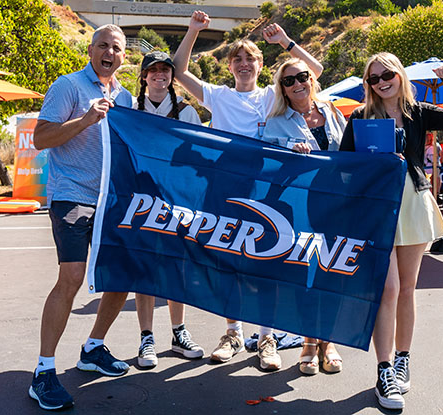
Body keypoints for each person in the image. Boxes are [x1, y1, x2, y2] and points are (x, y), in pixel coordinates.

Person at [173, 10, 322, 371]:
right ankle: (233, 332)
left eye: (249, 58)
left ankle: (267, 338)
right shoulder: (218, 96)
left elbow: (313, 71)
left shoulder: (272, 97)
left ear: (259, 64)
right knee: (230, 264)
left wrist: (285, 42)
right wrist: (193, 30)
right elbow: (178, 71)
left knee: (266, 264)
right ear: (229, 66)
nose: (243, 63)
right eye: (236, 58)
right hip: (224, 189)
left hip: (266, 192)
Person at [339, 52, 443, 409]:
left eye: (387, 74)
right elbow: (343, 167)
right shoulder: (359, 117)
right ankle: (384, 368)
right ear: (368, 85)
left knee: (406, 289)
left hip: (413, 202)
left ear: (399, 75)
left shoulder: (418, 112)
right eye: (373, 78)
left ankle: (403, 359)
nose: (381, 81)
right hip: (375, 208)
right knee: (385, 290)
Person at [29, 24, 134, 411]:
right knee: (71, 277)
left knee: (119, 276)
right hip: (72, 194)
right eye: (103, 45)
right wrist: (86, 120)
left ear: (123, 57)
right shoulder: (68, 86)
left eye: (116, 48)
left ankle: (93, 348)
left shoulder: (125, 97)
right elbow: (41, 138)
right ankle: (43, 372)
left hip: (110, 201)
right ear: (91, 51)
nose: (109, 52)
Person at [121, 50, 205, 368]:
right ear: (144, 76)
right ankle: (146, 337)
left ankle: (178, 332)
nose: (160, 74)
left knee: (176, 267)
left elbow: (199, 153)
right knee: (145, 269)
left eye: (165, 70)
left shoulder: (185, 111)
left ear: (171, 76)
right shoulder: (130, 110)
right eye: (153, 70)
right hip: (141, 201)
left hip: (178, 200)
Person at [262, 58, 345, 375]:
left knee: (332, 273)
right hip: (299, 206)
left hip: (338, 203)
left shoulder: (332, 112)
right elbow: (265, 158)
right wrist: (287, 149)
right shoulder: (276, 121)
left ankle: (328, 341)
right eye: (288, 80)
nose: (297, 83)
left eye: (302, 76)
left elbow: (352, 150)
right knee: (306, 274)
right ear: (281, 89)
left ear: (312, 78)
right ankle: (309, 343)